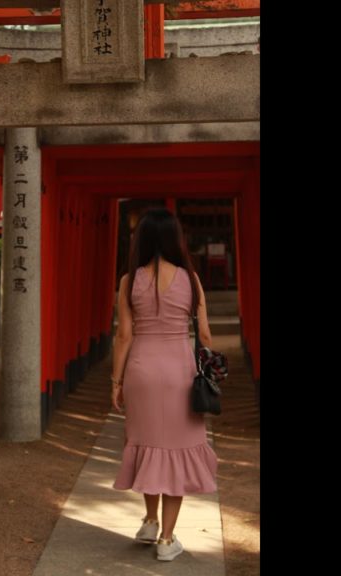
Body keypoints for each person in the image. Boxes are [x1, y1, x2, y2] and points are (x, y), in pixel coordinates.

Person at [110, 208, 219, 562]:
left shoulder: (129, 281)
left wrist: (116, 381)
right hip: (178, 374)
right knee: (177, 449)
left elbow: (124, 336)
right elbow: (203, 334)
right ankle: (166, 539)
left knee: (146, 443)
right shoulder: (192, 279)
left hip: (140, 372)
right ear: (176, 239)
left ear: (141, 239)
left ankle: (149, 520)